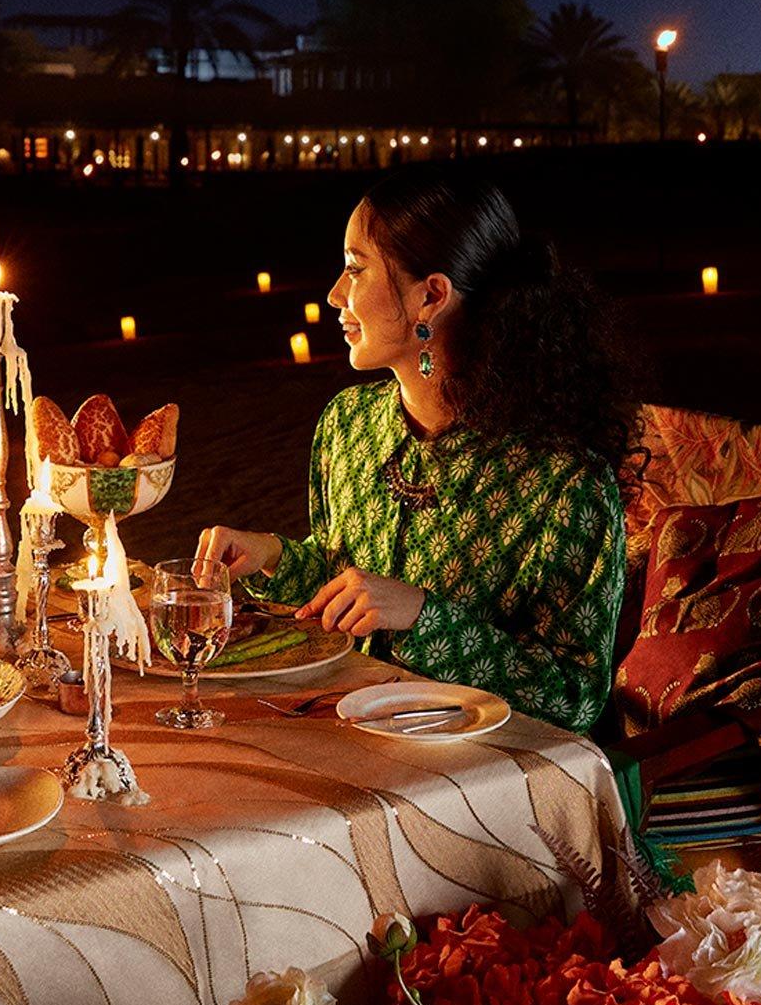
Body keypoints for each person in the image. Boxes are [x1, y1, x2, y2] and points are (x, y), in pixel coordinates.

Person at [195, 168, 634, 732]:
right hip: (346, 730)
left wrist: (424, 618)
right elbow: (349, 581)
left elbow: (575, 699)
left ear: (431, 296)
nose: (334, 295)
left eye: (356, 269)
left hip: (483, 776)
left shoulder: (565, 485)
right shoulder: (348, 423)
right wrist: (274, 558)